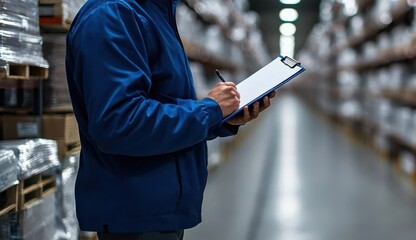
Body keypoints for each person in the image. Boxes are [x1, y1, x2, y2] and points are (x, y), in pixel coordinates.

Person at [65, 0, 274, 239]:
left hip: (159, 208)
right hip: (136, 213)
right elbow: (120, 122)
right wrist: (209, 110)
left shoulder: (156, 13)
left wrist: (221, 119)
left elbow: (166, 105)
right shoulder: (114, 15)